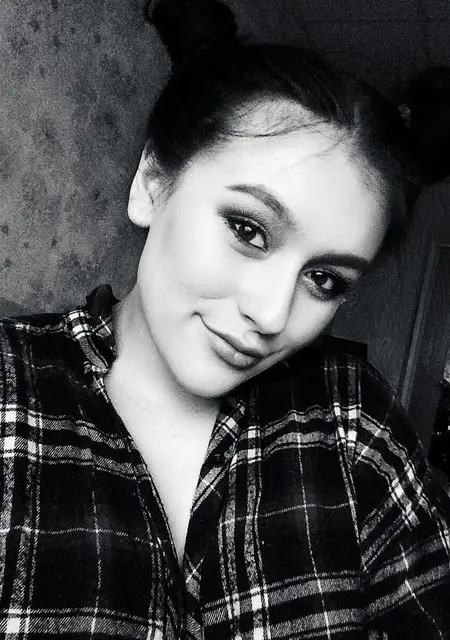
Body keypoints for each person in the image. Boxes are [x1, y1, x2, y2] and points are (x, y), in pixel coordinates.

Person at [0, 2, 449, 638]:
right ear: (152, 183)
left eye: (324, 280)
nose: (271, 314)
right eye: (248, 230)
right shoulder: (10, 386)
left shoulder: (350, 416)